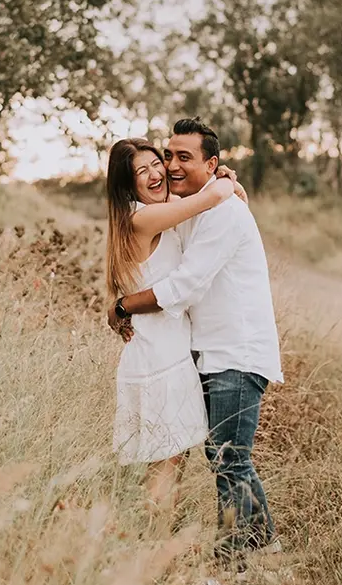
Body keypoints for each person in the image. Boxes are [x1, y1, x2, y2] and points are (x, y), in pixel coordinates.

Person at [108, 118, 283, 567]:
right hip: (198, 354)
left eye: (180, 157)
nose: (169, 166)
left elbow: (183, 287)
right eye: (167, 156)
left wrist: (125, 305)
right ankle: (261, 549)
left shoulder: (221, 211)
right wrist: (219, 185)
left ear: (211, 162)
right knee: (217, 456)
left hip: (235, 351)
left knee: (227, 457)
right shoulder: (186, 209)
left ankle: (239, 560)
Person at [104, 137, 245, 534]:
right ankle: (155, 559)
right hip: (160, 360)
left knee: (167, 466)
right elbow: (209, 198)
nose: (155, 174)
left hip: (156, 355)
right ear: (126, 185)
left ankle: (154, 553)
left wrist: (218, 177)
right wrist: (223, 180)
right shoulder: (142, 218)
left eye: (155, 164)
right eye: (140, 172)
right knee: (165, 471)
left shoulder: (148, 216)